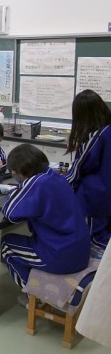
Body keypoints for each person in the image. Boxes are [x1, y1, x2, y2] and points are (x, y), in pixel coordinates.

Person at [0, 144, 90, 289]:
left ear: (18, 172)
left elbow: (10, 213)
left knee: (6, 243)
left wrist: (19, 190)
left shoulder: (36, 182)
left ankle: (31, 291)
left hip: (61, 256)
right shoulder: (55, 176)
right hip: (81, 251)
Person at [65, 89, 111, 251]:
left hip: (93, 199)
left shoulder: (97, 136)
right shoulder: (108, 130)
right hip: (105, 198)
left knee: (93, 242)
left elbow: (78, 168)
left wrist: (60, 187)